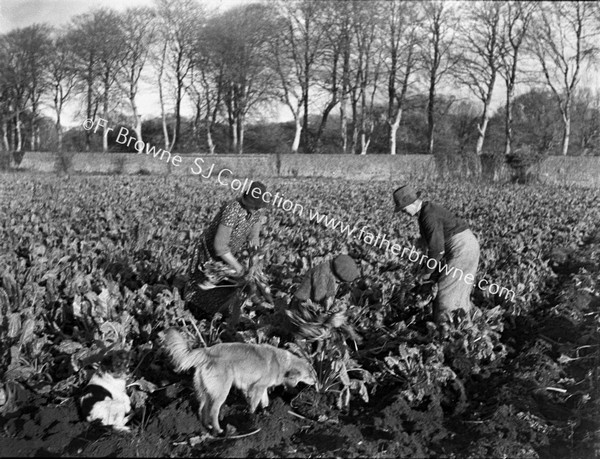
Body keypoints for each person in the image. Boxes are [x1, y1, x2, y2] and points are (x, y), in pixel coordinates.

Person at [393, 185, 480, 324]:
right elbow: (433, 240)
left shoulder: (428, 215)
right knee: (455, 289)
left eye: (404, 208)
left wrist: (427, 272)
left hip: (463, 249)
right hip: (463, 246)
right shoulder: (426, 212)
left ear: (413, 203)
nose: (403, 212)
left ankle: (451, 332)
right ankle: (463, 323)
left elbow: (437, 250)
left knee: (446, 293)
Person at [185, 181, 269, 317]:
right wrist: (238, 266)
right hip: (208, 253)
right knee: (202, 288)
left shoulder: (256, 213)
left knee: (225, 289)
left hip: (228, 253)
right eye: (254, 206)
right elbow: (220, 246)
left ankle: (217, 313)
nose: (256, 209)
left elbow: (254, 238)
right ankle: (194, 313)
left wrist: (255, 260)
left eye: (258, 207)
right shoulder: (233, 209)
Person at [285, 254, 362, 342]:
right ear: (337, 275)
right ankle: (297, 340)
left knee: (335, 320)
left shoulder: (328, 270)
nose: (339, 283)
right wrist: (330, 307)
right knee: (318, 330)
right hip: (301, 307)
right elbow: (319, 296)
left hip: (310, 305)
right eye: (339, 281)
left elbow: (329, 292)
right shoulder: (322, 273)